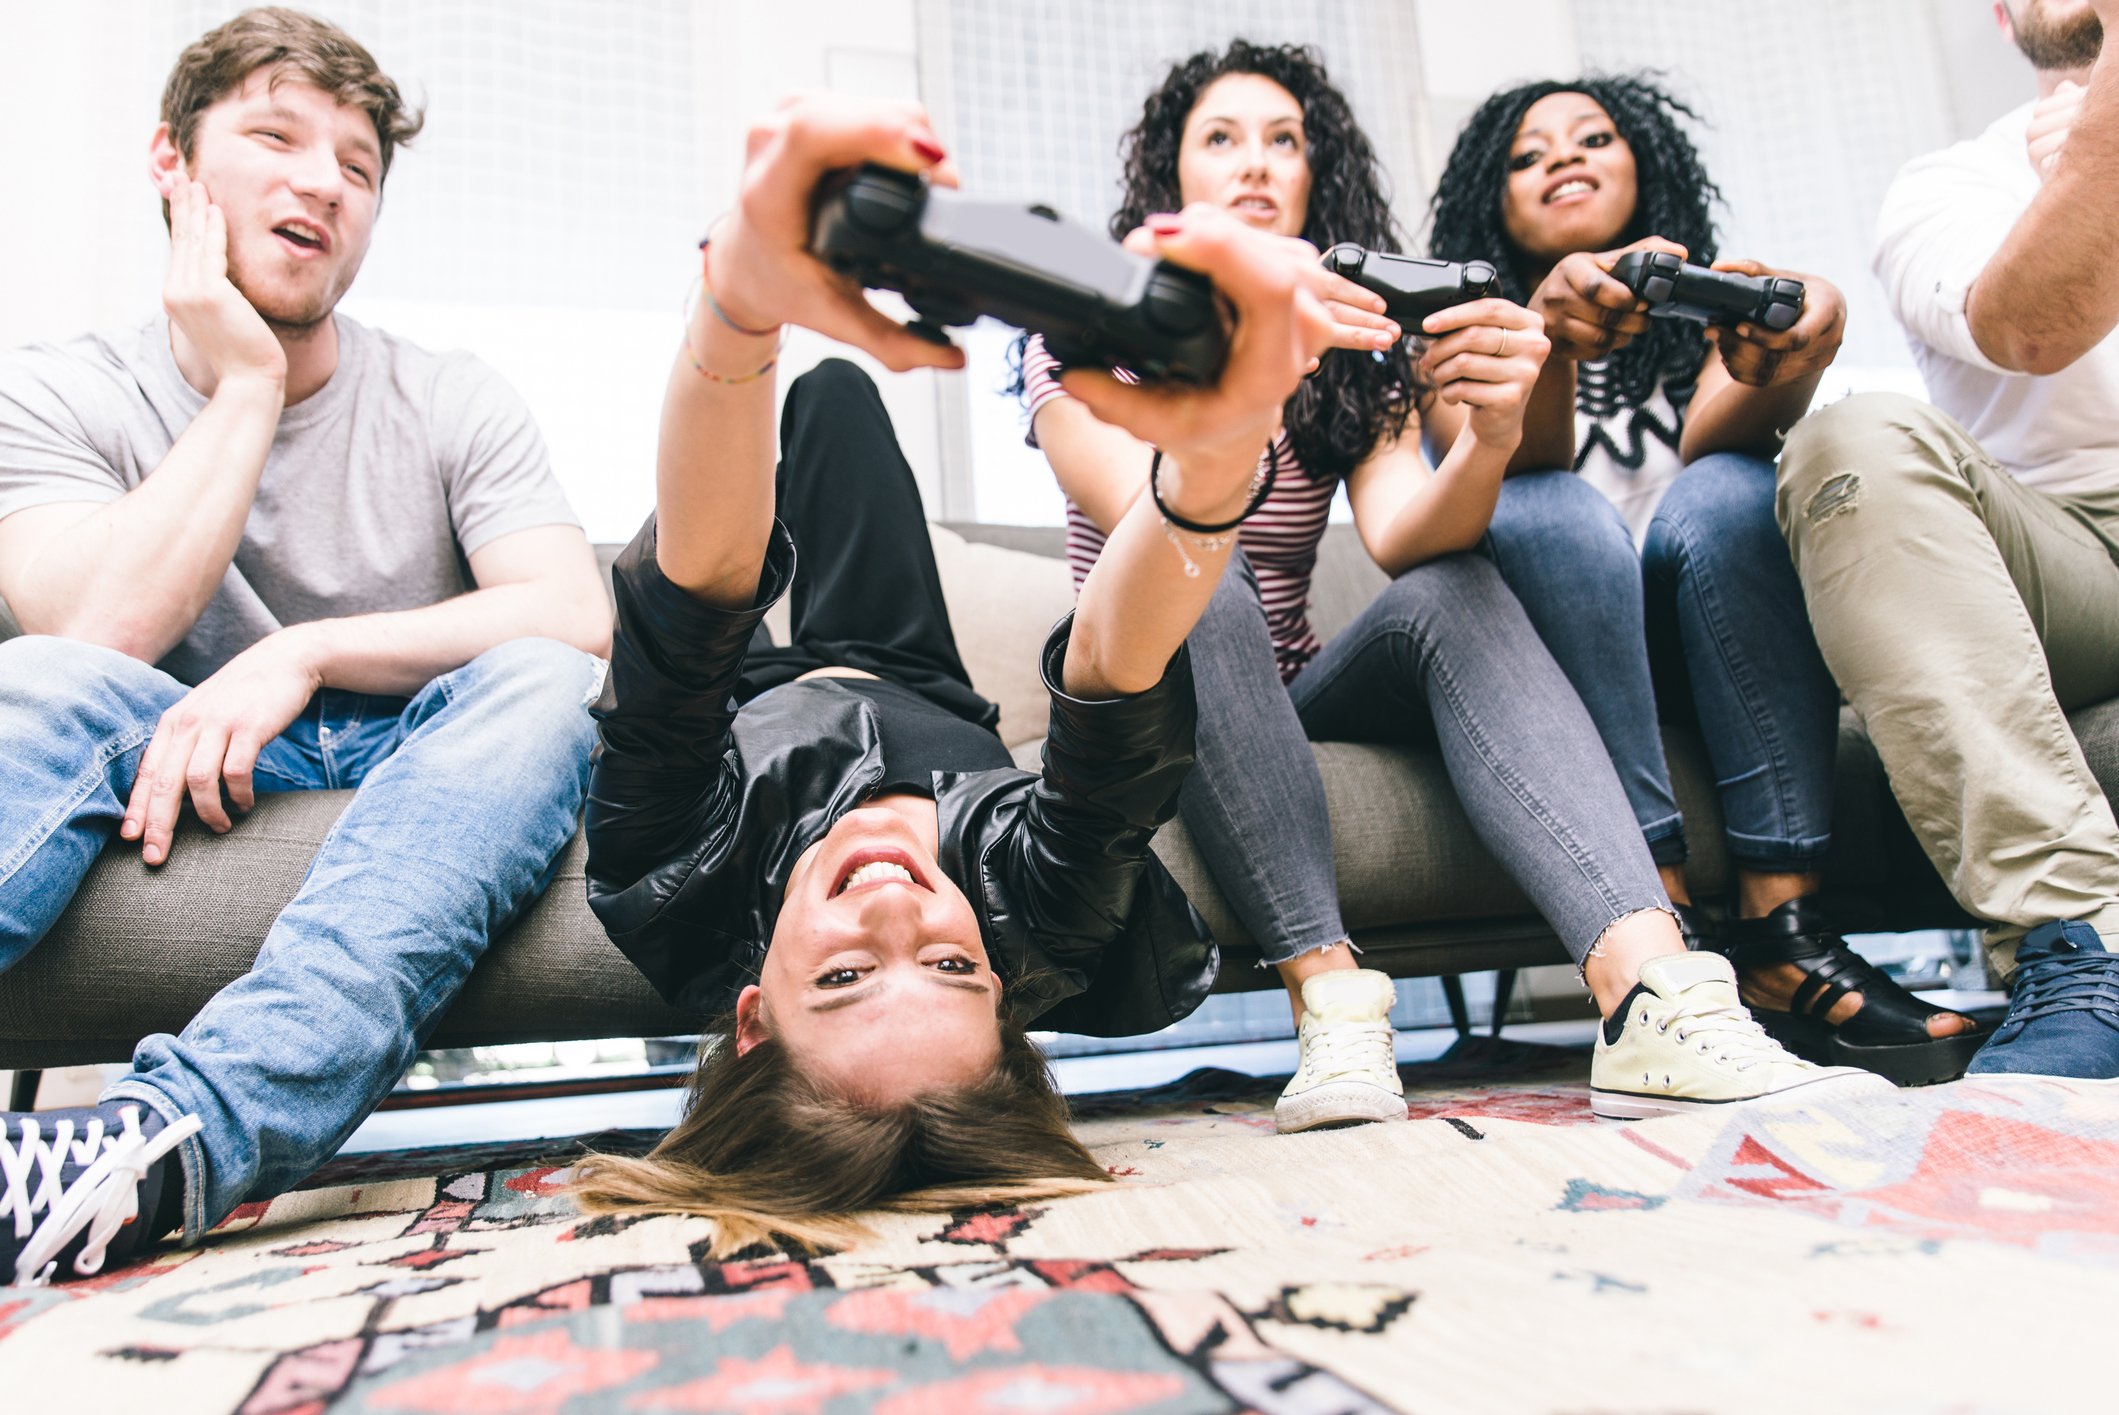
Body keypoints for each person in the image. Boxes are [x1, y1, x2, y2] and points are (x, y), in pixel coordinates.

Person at [569, 91, 1410, 1256]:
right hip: (910, 676)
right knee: (842, 393)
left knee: (774, 475)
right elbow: (1116, 684)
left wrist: (738, 302)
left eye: (850, 971)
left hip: (751, 707)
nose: (895, 901)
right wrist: (1216, 464)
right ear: (1008, 988)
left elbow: (696, 592)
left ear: (754, 1019)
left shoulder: (670, 876)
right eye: (953, 963)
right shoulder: (1039, 913)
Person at [1019, 41, 1877, 1133]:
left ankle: (1653, 994)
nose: (1256, 163)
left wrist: (1488, 435)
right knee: (1203, 577)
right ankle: (1332, 1007)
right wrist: (1243, 369)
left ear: (1315, 178)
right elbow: (1151, 513)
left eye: (1285, 141)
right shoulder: (1088, 327)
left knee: (1453, 590)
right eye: (1222, 139)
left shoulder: (1353, 348)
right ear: (1171, 178)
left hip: (1291, 689)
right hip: (1138, 681)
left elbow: (1406, 536)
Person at [0, 8, 608, 1286]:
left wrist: (309, 651)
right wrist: (247, 385)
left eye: (358, 166)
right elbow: (95, 631)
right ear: (171, 162)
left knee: (545, 683)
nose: (322, 182)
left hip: (423, 759)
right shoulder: (59, 391)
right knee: (42, 678)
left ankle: (169, 1144)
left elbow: (572, 608)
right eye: (275, 135)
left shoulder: (449, 393)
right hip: (173, 747)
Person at [1424, 75, 1982, 1087]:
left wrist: (1794, 361)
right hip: (1560, 666)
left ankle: (1785, 938)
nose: (1562, 157)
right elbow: (1515, 468)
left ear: (1644, 162)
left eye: (1592, 137)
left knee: (1729, 488)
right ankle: (1666, 939)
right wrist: (1542, 333)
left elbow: (1714, 468)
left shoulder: (1714, 309)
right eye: (1526, 153)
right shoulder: (1463, 329)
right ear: (1490, 200)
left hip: (1706, 649)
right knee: (1548, 509)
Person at [1776, 0, 2119, 1078]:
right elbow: (2027, 326)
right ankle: (2084, 945)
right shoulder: (1947, 185)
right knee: (1848, 438)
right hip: (2069, 558)